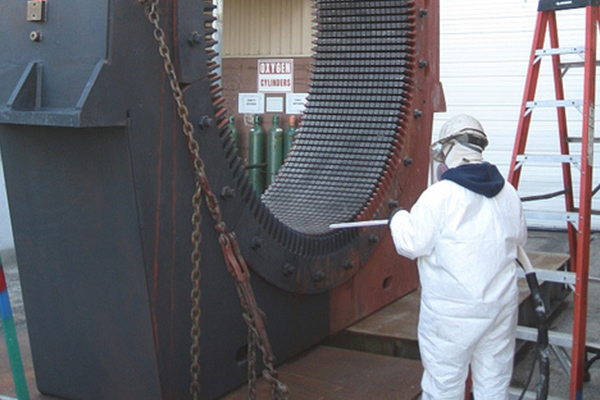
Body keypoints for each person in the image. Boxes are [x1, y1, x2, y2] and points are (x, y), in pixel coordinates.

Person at [388, 114, 527, 400]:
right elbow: (520, 240)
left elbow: (411, 244)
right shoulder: (508, 193)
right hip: (499, 309)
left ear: (451, 148)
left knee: (444, 386)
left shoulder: (439, 196)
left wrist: (398, 218)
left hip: (451, 318)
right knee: (494, 383)